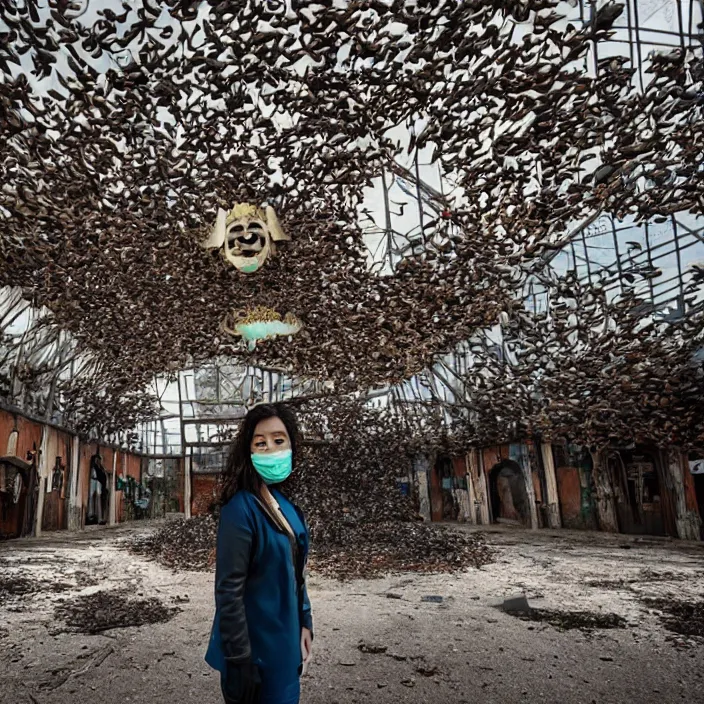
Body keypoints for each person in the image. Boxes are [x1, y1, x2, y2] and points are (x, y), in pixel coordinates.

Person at [205, 403, 313, 704]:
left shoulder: (289, 508)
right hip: (255, 656)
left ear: (292, 444)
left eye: (279, 441)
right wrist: (240, 659)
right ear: (248, 452)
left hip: (286, 647)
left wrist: (305, 622)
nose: (270, 449)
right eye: (260, 442)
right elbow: (228, 590)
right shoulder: (240, 510)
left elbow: (296, 573)